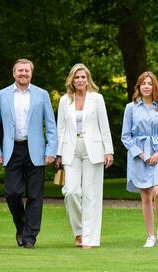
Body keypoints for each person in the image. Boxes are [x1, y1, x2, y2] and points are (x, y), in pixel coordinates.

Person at [0, 58, 57, 249]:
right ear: (14, 73)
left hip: (36, 150)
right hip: (12, 150)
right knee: (12, 193)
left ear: (31, 73)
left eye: (27, 71)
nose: (23, 74)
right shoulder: (2, 95)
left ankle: (30, 237)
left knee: (35, 195)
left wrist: (51, 149)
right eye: (20, 71)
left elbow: (51, 126)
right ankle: (21, 226)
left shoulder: (42, 95)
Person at [55, 63, 114, 249]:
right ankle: (79, 231)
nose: (80, 80)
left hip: (93, 150)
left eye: (83, 77)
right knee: (71, 192)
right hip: (70, 150)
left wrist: (109, 150)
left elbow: (104, 126)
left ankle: (89, 238)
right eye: (77, 77)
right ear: (71, 80)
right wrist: (58, 153)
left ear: (88, 79)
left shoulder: (97, 99)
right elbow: (61, 128)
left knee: (91, 195)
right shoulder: (65, 100)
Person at [121, 71, 158, 248]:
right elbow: (126, 136)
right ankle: (150, 235)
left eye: (149, 83)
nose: (146, 86)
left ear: (154, 86)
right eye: (143, 83)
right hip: (138, 156)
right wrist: (141, 154)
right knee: (145, 196)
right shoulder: (131, 108)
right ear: (138, 86)